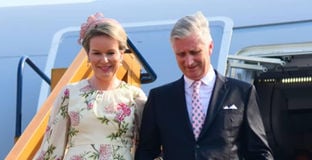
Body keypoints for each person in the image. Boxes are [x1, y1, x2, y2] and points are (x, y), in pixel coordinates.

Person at [135, 11, 273, 160]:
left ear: (210, 47)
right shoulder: (160, 98)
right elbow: (146, 152)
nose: (189, 61)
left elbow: (259, 152)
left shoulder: (242, 93)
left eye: (195, 52)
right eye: (181, 54)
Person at [34, 12, 147, 160]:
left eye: (110, 53)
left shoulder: (135, 96)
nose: (104, 60)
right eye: (97, 53)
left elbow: (147, 147)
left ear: (121, 54)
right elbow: (52, 146)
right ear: (88, 55)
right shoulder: (69, 93)